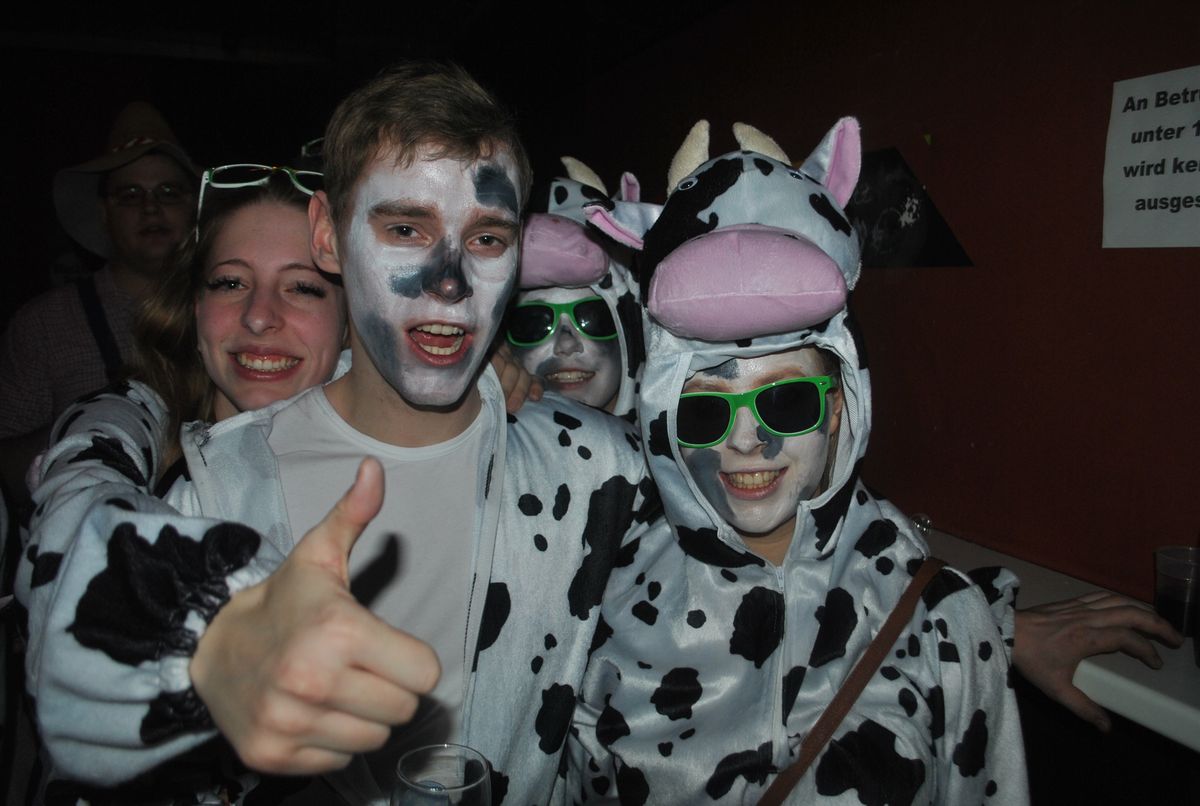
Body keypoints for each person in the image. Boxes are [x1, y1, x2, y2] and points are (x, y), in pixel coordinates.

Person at [18, 61, 652, 805]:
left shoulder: (596, 470)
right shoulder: (213, 492)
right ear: (328, 234)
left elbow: (632, 733)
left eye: (486, 238)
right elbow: (82, 695)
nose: (450, 283)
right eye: (406, 228)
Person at [569, 119, 1028, 802]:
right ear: (665, 422)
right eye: (705, 410)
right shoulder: (608, 601)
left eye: (785, 401)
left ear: (839, 406)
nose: (745, 440)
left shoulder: (939, 617)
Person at [0, 102, 198, 500]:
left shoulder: (237, 311)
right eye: (130, 195)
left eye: (168, 192)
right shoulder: (44, 323)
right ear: (104, 213)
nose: (151, 207)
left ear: (195, 205)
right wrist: (86, 428)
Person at [508, 160, 659, 421]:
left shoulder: (683, 435)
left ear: (629, 330)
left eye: (593, 318)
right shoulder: (488, 436)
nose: (566, 344)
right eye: (533, 323)